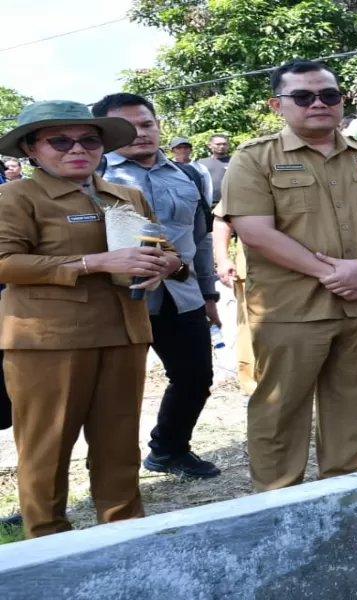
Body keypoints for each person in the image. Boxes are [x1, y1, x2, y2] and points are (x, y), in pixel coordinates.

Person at [221, 59, 357, 492]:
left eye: (329, 95)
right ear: (278, 104)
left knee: (354, 406)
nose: (318, 104)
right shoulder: (255, 158)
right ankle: (277, 502)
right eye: (304, 96)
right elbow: (254, 231)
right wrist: (334, 274)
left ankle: (342, 493)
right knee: (280, 410)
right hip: (291, 307)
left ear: (341, 101)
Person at [0, 100, 182, 538]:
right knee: (48, 448)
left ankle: (122, 535)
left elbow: (163, 248)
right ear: (31, 148)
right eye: (59, 141)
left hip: (124, 331)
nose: (76, 149)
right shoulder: (17, 196)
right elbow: (5, 261)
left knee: (119, 446)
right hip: (49, 340)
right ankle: (46, 543)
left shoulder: (125, 195)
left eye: (89, 139)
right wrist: (92, 262)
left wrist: (167, 265)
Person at [93, 93, 222, 480]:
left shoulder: (191, 174)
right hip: (116, 299)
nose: (140, 134)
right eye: (128, 128)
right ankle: (109, 471)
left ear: (159, 125)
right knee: (112, 390)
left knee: (195, 377)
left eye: (147, 124)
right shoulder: (90, 175)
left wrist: (209, 292)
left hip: (180, 294)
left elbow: (200, 239)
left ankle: (169, 449)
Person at [212, 214, 256, 398]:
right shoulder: (247, 183)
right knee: (252, 336)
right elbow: (222, 218)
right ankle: (252, 393)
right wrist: (222, 259)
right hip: (258, 274)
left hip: (320, 273)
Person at [168, 136, 214, 203]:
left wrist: (207, 206)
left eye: (186, 147)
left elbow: (208, 190)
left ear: (191, 150)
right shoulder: (168, 167)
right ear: (172, 150)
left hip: (197, 206)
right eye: (179, 148)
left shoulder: (200, 168)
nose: (183, 150)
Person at [197, 133, 231, 206]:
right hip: (207, 204)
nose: (222, 146)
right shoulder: (201, 163)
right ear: (210, 145)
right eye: (218, 144)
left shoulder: (235, 162)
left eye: (224, 144)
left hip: (229, 204)